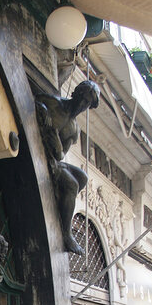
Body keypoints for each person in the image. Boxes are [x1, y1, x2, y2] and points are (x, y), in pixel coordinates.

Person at [34, 78, 100, 253]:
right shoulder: (53, 102)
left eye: (87, 103)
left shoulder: (73, 129)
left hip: (54, 158)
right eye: (83, 98)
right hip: (42, 153)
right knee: (72, 184)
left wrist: (56, 143)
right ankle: (66, 234)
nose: (83, 104)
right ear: (76, 93)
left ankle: (62, 202)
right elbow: (34, 100)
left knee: (83, 178)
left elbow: (61, 154)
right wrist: (43, 111)